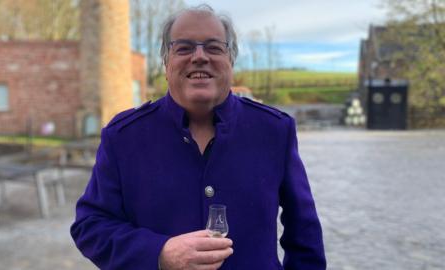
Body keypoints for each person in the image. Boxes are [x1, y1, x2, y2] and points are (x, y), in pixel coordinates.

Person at [71, 4, 326, 270]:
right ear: (166, 62)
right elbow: (91, 226)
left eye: (214, 47)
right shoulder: (124, 137)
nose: (200, 56)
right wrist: (159, 253)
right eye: (184, 47)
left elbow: (304, 234)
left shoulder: (274, 130)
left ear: (231, 60)